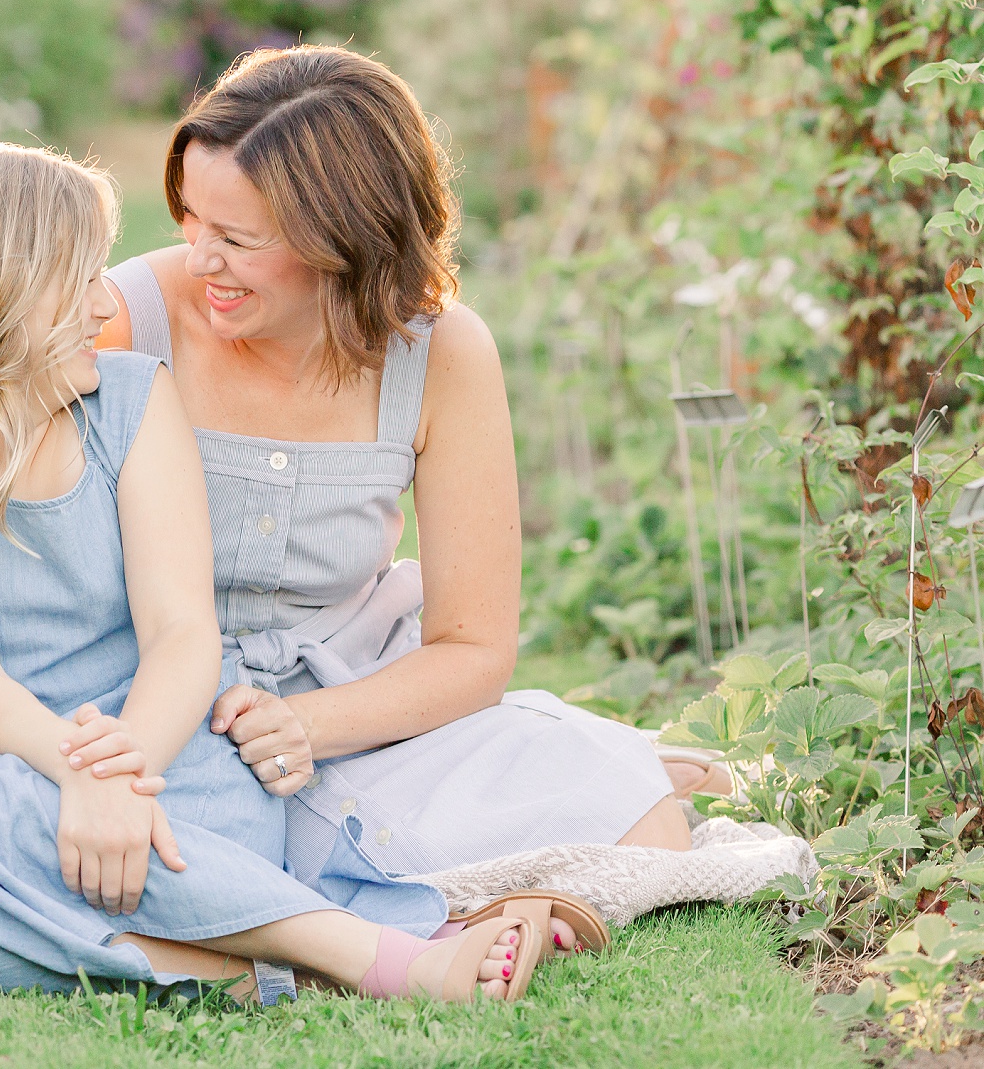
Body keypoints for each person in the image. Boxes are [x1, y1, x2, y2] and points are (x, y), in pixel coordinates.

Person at [0, 137, 574, 1002]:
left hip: (181, 756)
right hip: (14, 770)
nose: (107, 301)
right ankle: (269, 967)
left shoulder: (132, 399)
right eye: (79, 281)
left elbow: (183, 631)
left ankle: (381, 961)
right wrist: (81, 776)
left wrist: (128, 769)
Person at [96, 46, 692, 958]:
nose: (200, 257)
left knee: (636, 803)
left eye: (240, 239)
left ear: (345, 239)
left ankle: (453, 906)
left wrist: (310, 725)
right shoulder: (126, 320)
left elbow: (473, 646)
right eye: (190, 218)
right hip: (159, 711)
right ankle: (448, 920)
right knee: (182, 853)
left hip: (356, 710)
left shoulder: (440, 354)